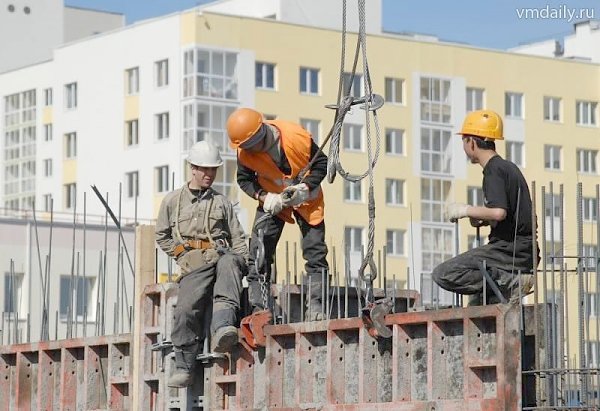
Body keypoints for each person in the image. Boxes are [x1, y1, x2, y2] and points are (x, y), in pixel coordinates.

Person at [155, 140, 248, 388]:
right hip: (194, 267)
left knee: (230, 260)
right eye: (204, 169)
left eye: (213, 170)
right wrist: (180, 254)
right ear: (192, 169)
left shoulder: (222, 203)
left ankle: (223, 329)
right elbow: (162, 235)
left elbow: (238, 239)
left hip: (221, 261)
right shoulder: (173, 201)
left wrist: (244, 264)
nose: (209, 174)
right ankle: (185, 365)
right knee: (186, 309)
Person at [227, 107, 329, 320]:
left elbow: (322, 163)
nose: (247, 150)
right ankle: (261, 309)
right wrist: (264, 197)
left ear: (260, 132)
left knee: (315, 253)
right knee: (258, 255)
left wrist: (305, 188)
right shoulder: (244, 153)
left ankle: (316, 307)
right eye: (244, 146)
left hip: (306, 200)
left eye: (249, 145)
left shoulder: (296, 137)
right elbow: (244, 180)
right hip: (274, 201)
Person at [431, 110, 537, 304]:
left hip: (510, 252)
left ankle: (509, 280)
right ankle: (503, 281)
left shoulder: (493, 170)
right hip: (523, 252)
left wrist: (465, 210)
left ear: (471, 142)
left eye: (464, 141)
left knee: (443, 273)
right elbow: (510, 214)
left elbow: (499, 212)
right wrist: (483, 217)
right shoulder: (507, 168)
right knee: (476, 308)